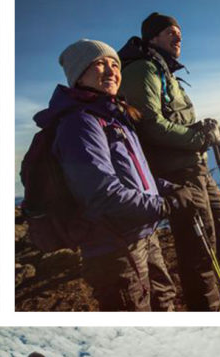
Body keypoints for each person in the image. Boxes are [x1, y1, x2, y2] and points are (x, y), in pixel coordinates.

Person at [35, 39, 185, 311]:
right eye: (99, 64)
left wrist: (167, 188)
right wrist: (163, 206)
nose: (111, 71)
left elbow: (138, 177)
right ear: (78, 75)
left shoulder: (115, 116)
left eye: (114, 64)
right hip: (113, 248)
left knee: (164, 303)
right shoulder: (80, 123)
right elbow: (102, 193)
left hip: (141, 234)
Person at [118, 13, 220, 311]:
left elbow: (172, 119)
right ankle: (208, 308)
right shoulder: (143, 70)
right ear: (152, 38)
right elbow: (150, 124)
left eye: (179, 32)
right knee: (199, 247)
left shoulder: (164, 71)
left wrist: (199, 130)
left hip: (194, 165)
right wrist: (199, 139)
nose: (178, 37)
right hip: (177, 172)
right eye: (169, 32)